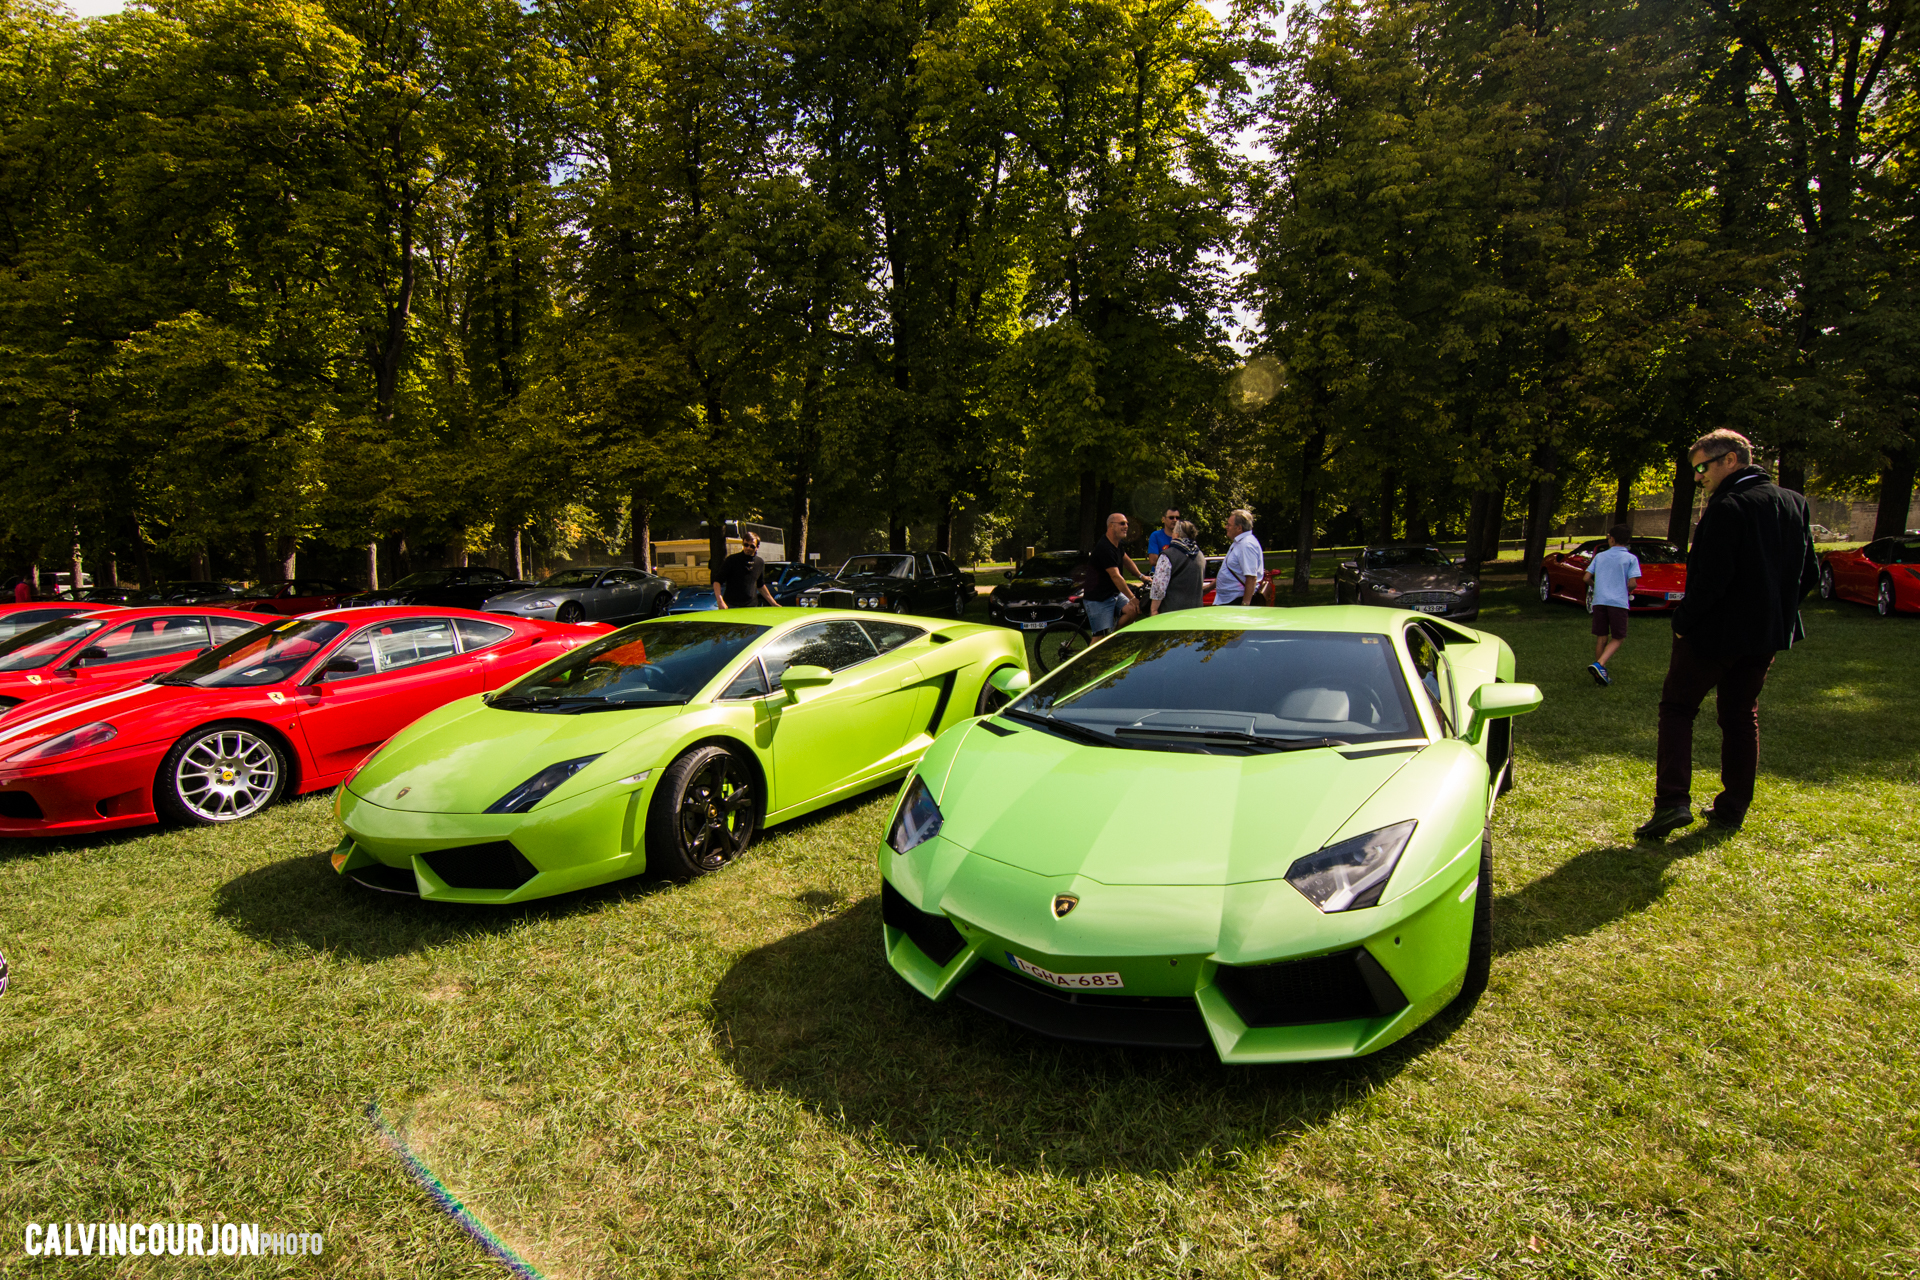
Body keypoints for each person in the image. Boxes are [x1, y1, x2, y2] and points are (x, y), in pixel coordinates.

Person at [1634, 430, 1818, 839]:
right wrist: (1777, 613)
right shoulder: (1794, 503)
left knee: (1678, 709)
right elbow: (1809, 574)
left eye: (1702, 467)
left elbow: (1711, 580)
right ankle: (1733, 807)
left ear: (1730, 459)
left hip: (1714, 634)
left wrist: (1683, 623)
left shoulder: (1728, 505)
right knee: (1740, 716)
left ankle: (1672, 803)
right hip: (1766, 636)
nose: (1699, 478)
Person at [1583, 524, 1641, 686]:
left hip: (1599, 601)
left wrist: (1597, 587)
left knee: (1602, 637)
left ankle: (1600, 674)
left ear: (1612, 539)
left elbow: (1586, 578)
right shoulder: (1630, 558)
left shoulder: (1600, 557)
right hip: (1618, 602)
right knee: (1619, 637)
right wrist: (1627, 591)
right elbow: (1633, 583)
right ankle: (1599, 665)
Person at [1085, 512, 1143, 636]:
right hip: (1098, 598)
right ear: (1111, 526)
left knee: (1133, 610)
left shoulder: (1117, 543)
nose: (1126, 526)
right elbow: (1116, 576)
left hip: (1113, 594)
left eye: (1127, 523)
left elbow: (1126, 561)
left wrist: (1141, 576)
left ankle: (1113, 639)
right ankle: (1096, 651)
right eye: (1122, 523)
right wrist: (1132, 598)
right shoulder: (1105, 548)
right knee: (1099, 638)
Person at [1148, 520, 1204, 615]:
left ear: (1177, 535)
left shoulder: (1168, 555)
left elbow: (1159, 587)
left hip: (1172, 612)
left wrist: (1154, 609)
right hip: (1196, 611)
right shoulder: (1200, 555)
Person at [712, 532, 778, 609]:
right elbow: (717, 581)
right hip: (732, 605)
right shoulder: (732, 560)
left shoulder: (759, 562)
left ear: (757, 547)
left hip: (751, 607)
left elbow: (760, 585)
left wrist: (774, 603)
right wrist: (720, 601)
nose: (748, 548)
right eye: (746, 545)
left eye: (752, 546)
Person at [1212, 509, 1264, 606]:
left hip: (1236, 601)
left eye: (1229, 525)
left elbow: (1251, 577)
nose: (1226, 527)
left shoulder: (1246, 545)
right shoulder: (1239, 543)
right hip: (1229, 600)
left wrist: (1244, 606)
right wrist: (1208, 588)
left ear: (1239, 528)